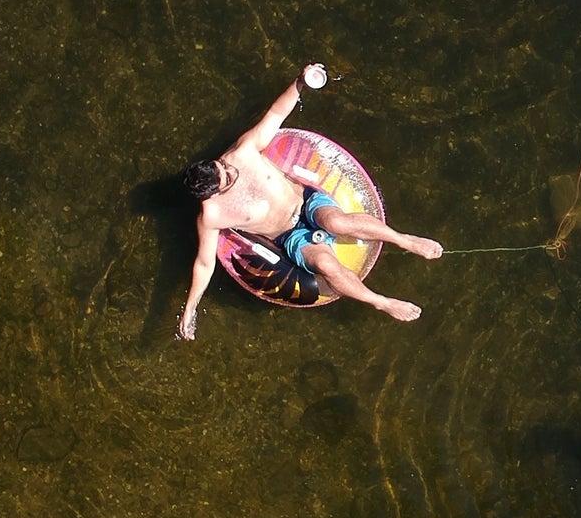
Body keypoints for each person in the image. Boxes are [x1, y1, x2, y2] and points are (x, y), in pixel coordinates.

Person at [175, 66, 443, 336]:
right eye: (227, 178)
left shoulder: (242, 152)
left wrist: (300, 82)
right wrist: (190, 309)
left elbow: (276, 114)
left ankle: (404, 239)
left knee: (336, 223)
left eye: (223, 166)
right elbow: (204, 263)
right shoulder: (212, 215)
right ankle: (381, 302)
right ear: (213, 193)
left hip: (307, 203)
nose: (231, 169)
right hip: (289, 237)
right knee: (326, 265)